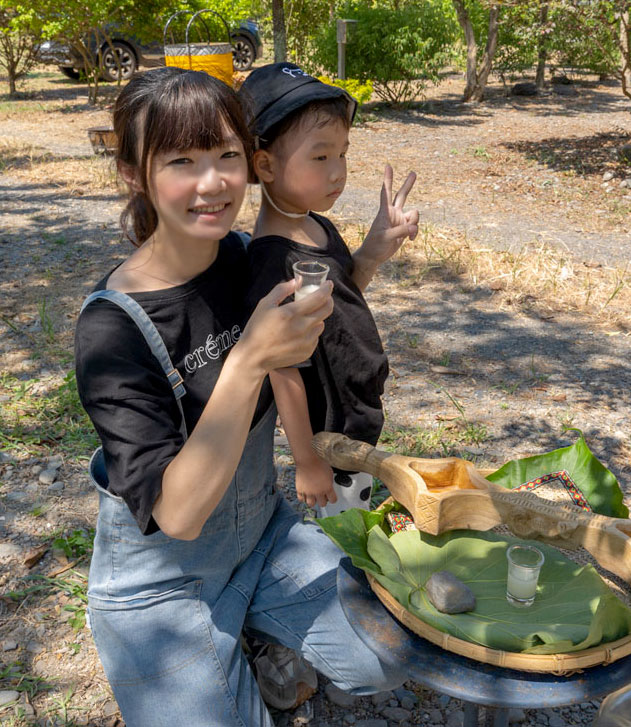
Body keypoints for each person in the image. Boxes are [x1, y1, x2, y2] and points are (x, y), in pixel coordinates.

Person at [74, 66, 416, 725]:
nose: (214, 182)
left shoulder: (249, 255)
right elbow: (176, 514)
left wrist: (367, 257)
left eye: (226, 155)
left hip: (262, 536)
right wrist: (248, 358)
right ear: (131, 172)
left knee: (391, 653)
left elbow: (326, 325)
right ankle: (243, 655)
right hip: (160, 588)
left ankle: (259, 635)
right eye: (181, 161)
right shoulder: (113, 327)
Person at [239, 63, 419, 518]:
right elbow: (283, 368)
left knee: (354, 503)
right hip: (330, 430)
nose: (337, 171)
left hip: (354, 405)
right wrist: (306, 462)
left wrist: (372, 252)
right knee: (340, 527)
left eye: (343, 154)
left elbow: (342, 293)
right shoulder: (272, 262)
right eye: (320, 157)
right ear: (266, 165)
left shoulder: (315, 225)